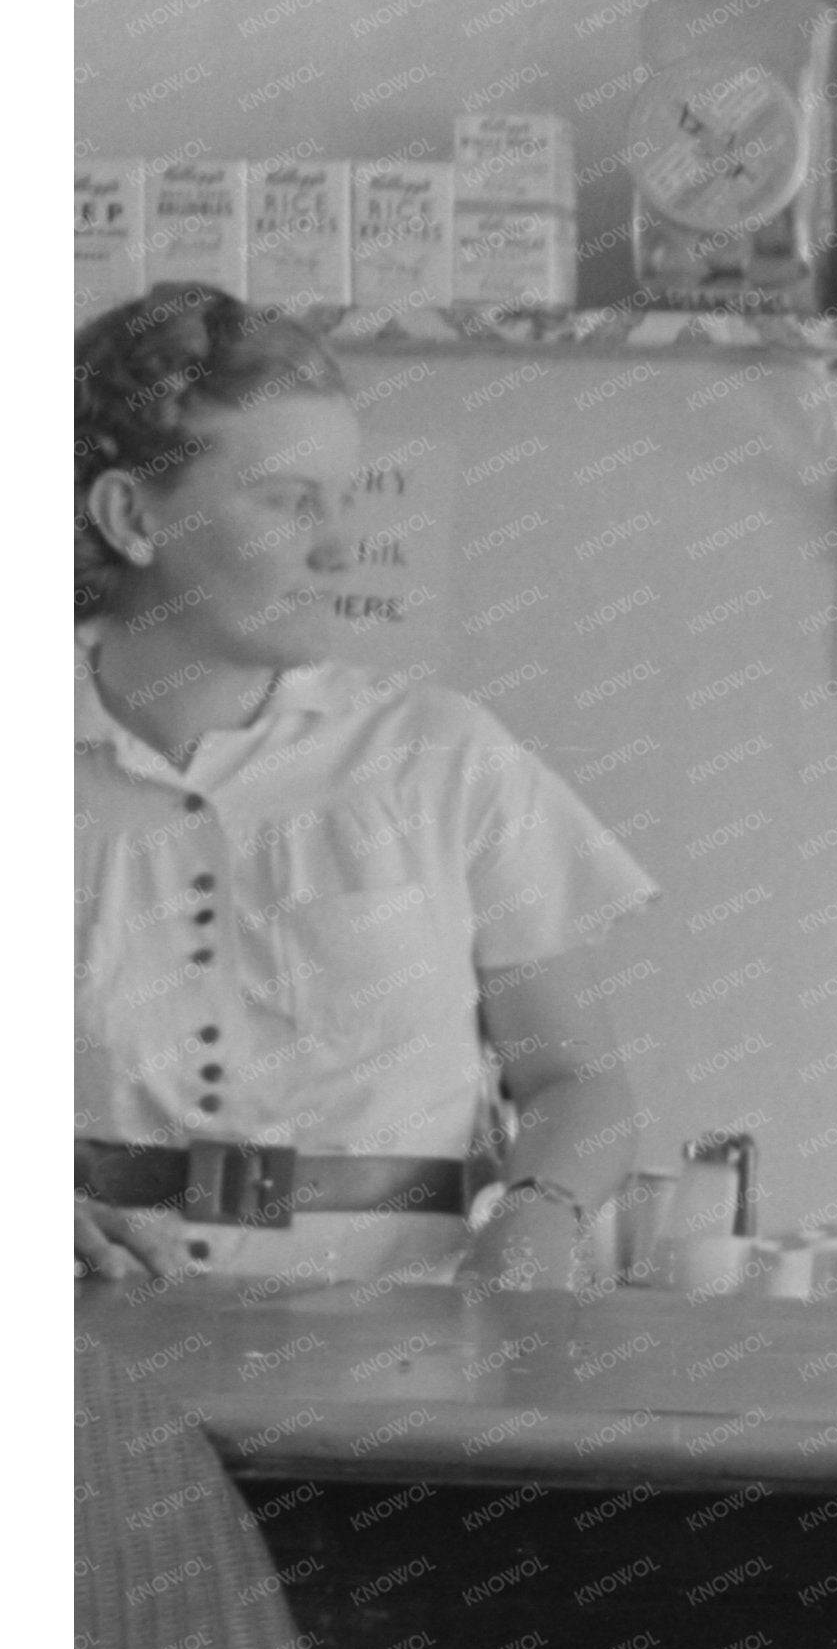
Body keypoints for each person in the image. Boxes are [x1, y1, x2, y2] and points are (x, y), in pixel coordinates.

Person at [74, 286, 653, 1288]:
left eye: (342, 501)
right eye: (288, 500)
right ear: (131, 515)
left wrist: (541, 1212)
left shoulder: (441, 759)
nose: (337, 548)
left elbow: (577, 1082)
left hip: (396, 1377)